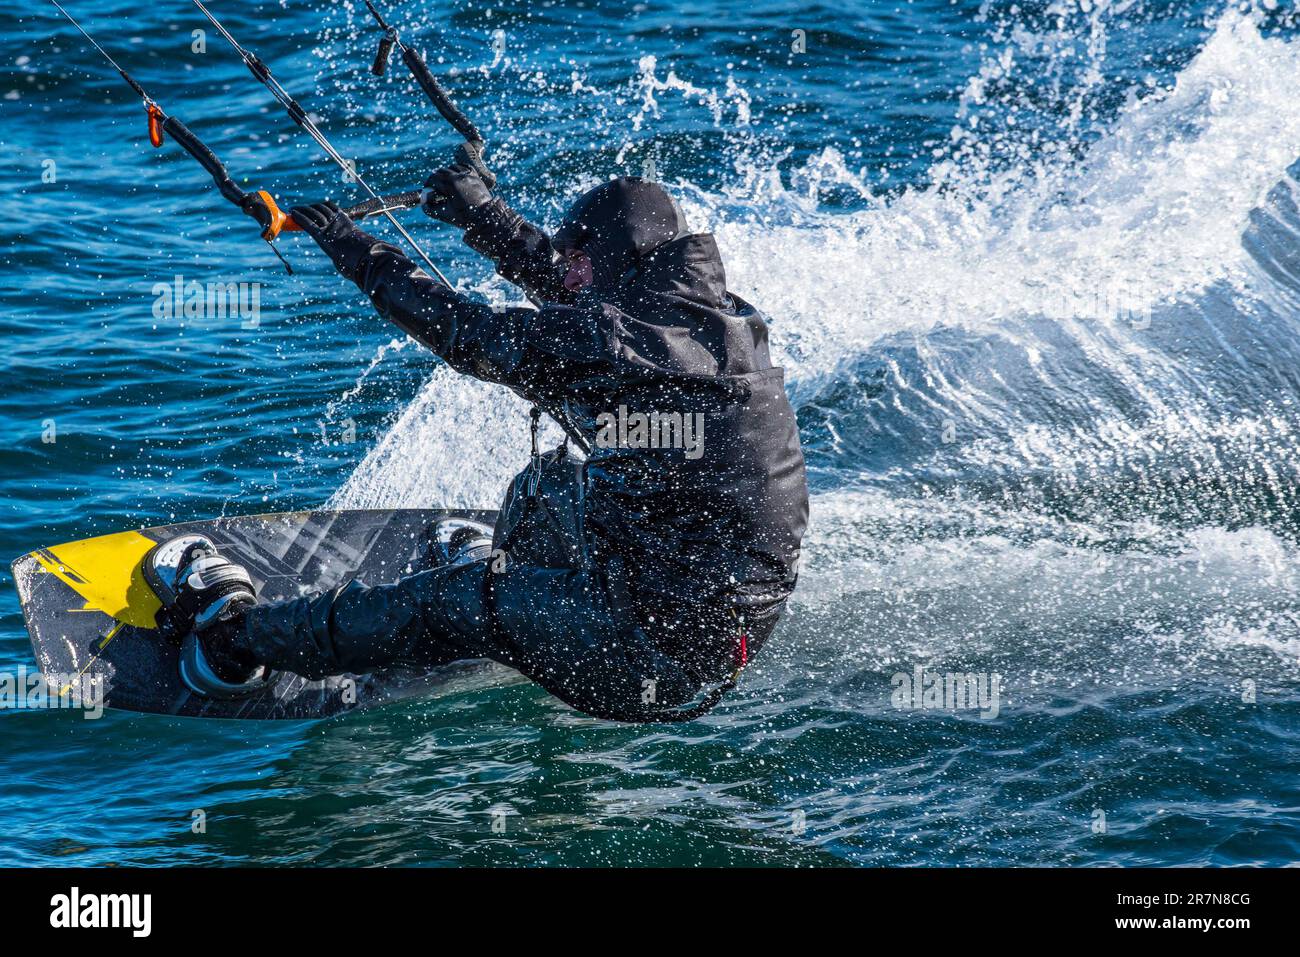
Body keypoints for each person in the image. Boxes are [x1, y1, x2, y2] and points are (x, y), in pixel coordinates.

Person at [151, 169, 809, 722]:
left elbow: (469, 334)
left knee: (447, 599)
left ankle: (235, 645)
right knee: (543, 487)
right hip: (717, 636)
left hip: (646, 657)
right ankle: (519, 616)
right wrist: (484, 217)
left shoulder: (619, 341)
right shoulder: (717, 316)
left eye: (581, 259)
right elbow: (582, 304)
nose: (570, 273)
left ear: (615, 256)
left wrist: (356, 251)